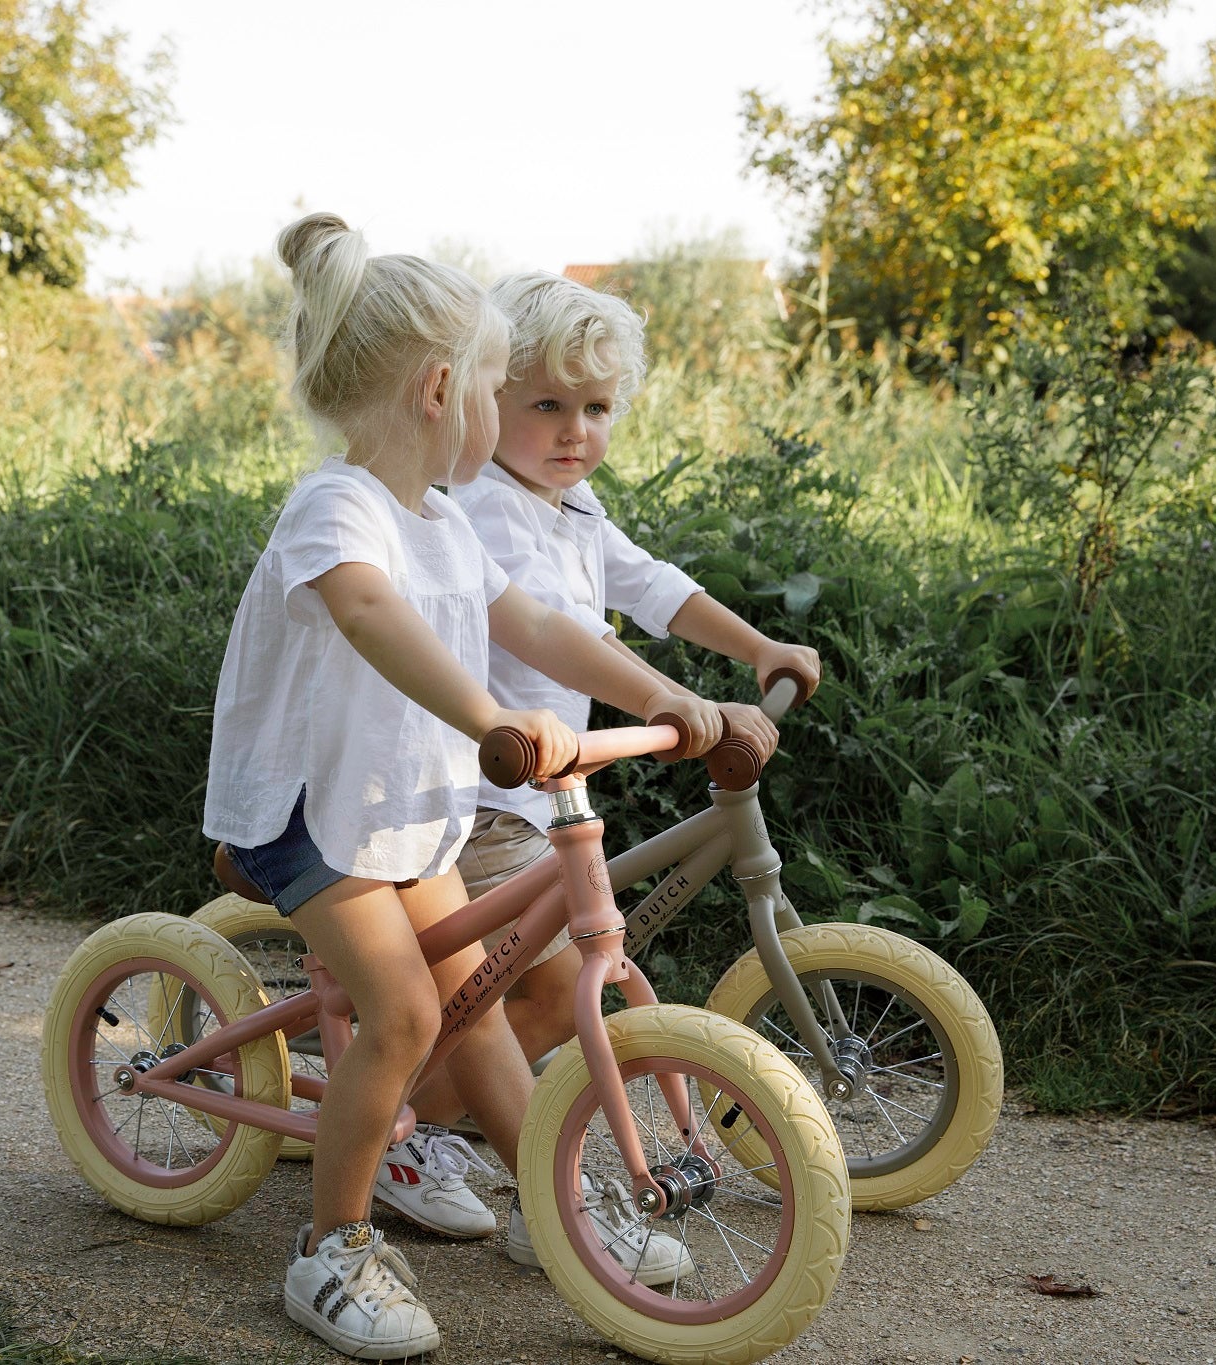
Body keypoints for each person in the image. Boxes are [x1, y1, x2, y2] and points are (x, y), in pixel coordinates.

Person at [205, 216, 721, 1360]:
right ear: (442, 390)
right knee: (401, 1014)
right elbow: (368, 614)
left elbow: (534, 621)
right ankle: (330, 1249)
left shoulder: (442, 521)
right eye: (497, 386)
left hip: (397, 809)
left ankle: (555, 1199)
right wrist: (490, 717)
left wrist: (661, 695)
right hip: (308, 814)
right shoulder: (336, 510)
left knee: (471, 994)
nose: (499, 413)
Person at [388, 272, 822, 1186]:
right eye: (546, 404)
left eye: (597, 407)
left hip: (538, 796)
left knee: (532, 994)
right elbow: (563, 633)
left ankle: (429, 1111)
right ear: (487, 398)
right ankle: (410, 1129)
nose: (575, 430)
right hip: (478, 799)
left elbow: (651, 585)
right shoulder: (486, 511)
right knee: (533, 993)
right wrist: (675, 699)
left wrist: (757, 647)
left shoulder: (573, 506)